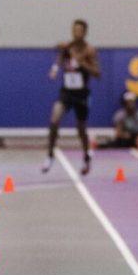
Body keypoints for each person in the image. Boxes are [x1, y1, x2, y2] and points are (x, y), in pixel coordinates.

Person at [42, 19, 101, 176]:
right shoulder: (68, 47)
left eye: (80, 30)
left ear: (85, 32)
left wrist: (82, 63)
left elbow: (97, 73)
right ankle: (50, 155)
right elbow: (59, 56)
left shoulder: (89, 50)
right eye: (74, 30)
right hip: (67, 92)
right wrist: (54, 69)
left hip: (81, 94)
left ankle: (86, 157)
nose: (76, 33)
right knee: (55, 118)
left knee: (81, 129)